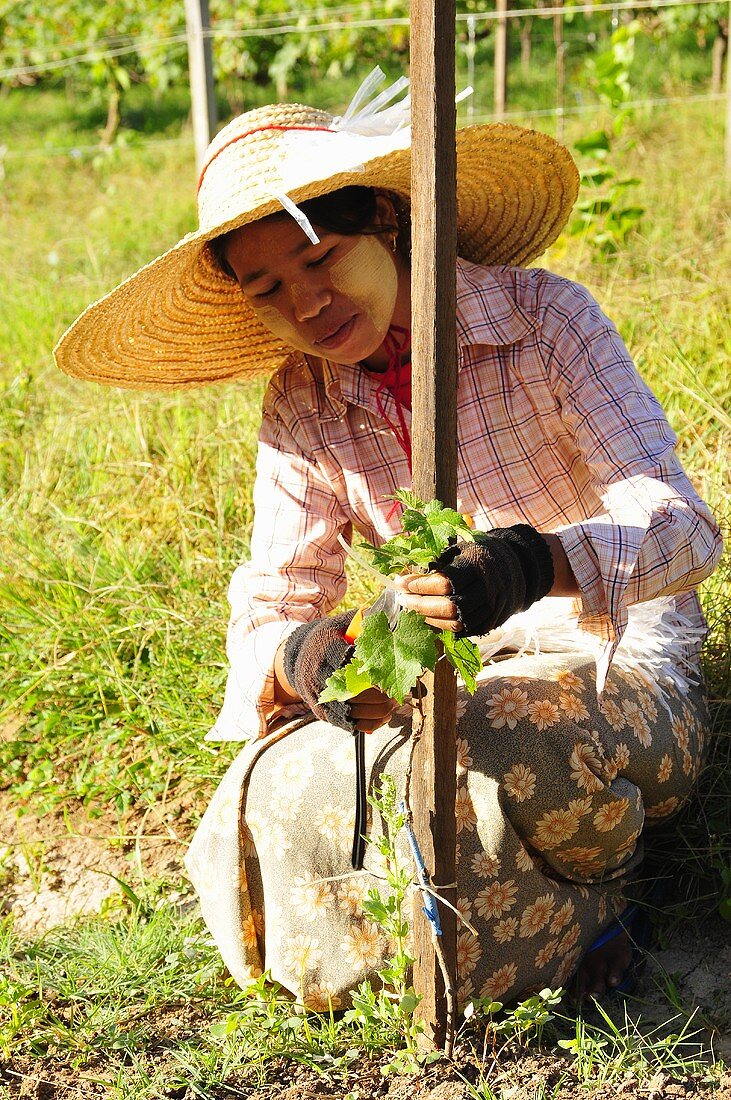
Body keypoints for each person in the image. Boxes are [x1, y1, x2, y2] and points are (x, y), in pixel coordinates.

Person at [54, 72, 722, 1011]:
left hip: (616, 662)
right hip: (451, 675)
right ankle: (490, 931)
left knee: (505, 737)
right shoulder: (302, 396)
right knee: (266, 789)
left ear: (384, 219)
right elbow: (275, 597)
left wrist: (535, 564)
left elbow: (682, 530)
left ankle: (607, 893)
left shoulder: (544, 319)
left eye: (321, 257)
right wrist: (311, 656)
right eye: (269, 288)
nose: (307, 302)